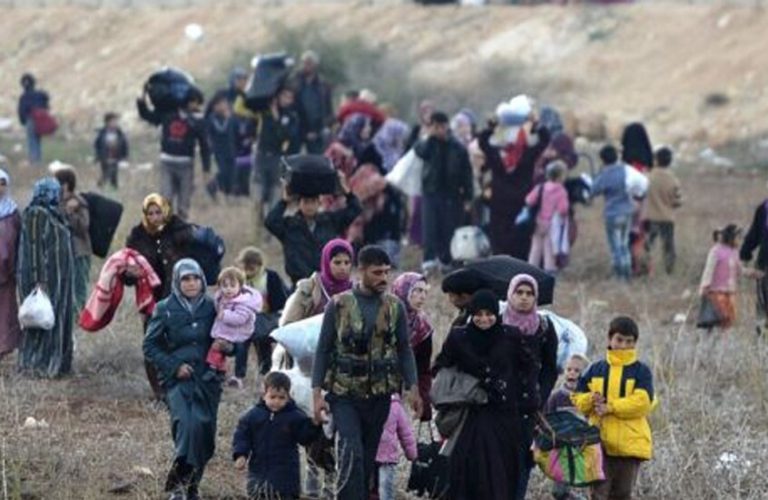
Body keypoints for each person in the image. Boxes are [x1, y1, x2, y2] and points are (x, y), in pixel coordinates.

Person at [312, 245, 421, 500]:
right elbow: (323, 350)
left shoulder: (395, 307)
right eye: (377, 272)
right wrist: (316, 394)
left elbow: (404, 349)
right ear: (361, 271)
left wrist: (414, 388)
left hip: (380, 396)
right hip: (344, 395)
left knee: (368, 458)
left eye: (386, 272)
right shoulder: (338, 305)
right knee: (352, 453)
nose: (384, 278)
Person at [143, 259, 225, 500]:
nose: (191, 283)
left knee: (205, 435)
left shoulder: (214, 306)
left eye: (195, 278)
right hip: (178, 382)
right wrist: (174, 366)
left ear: (202, 280)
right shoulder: (164, 308)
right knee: (187, 428)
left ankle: (192, 487)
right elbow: (150, 345)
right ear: (177, 282)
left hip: (208, 380)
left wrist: (228, 347)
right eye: (185, 279)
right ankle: (177, 488)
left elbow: (232, 337)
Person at [432, 289, 524, 500]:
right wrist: (465, 385)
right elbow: (441, 366)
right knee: (468, 471)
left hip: (503, 414)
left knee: (500, 472)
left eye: (489, 314)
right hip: (469, 413)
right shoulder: (459, 337)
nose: (484, 319)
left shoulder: (511, 336)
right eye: (478, 314)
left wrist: (515, 394)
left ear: (497, 314)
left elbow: (524, 370)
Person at [572, 316, 655, 500]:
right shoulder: (595, 369)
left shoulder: (642, 371)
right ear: (609, 339)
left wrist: (611, 407)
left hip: (629, 444)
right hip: (598, 442)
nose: (623, 345)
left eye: (629, 341)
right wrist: (590, 400)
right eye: (619, 339)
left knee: (623, 494)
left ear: (635, 343)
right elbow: (577, 399)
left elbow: (643, 403)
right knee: (598, 494)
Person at [126, 193, 195, 399]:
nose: (155, 217)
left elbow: (192, 264)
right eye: (150, 213)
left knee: (180, 342)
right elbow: (126, 272)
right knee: (152, 343)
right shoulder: (137, 237)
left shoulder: (180, 231)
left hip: (179, 297)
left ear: (165, 211)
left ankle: (180, 385)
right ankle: (158, 390)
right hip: (152, 301)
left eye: (158, 212)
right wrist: (130, 273)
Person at [502, 274, 558, 500]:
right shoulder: (497, 322)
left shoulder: (544, 326)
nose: (524, 298)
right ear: (510, 294)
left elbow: (550, 368)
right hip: (499, 406)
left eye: (529, 293)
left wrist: (540, 396)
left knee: (523, 462)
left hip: (529, 408)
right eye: (519, 292)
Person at [17, 178, 75, 377]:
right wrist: (38, 279)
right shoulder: (36, 214)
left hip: (58, 279)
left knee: (55, 320)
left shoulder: (54, 214)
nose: (59, 196)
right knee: (40, 320)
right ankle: (37, 366)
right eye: (55, 192)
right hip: (44, 280)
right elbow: (33, 248)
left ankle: (57, 364)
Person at [233, 371, 321, 499]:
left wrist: (314, 424)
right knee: (258, 494)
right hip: (258, 472)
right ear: (264, 394)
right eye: (272, 397)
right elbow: (242, 435)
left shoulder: (295, 416)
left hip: (286, 475)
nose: (276, 401)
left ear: (289, 396)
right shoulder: (253, 416)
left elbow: (305, 437)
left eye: (281, 398)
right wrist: (241, 454)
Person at [478, 113, 551, 260]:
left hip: (499, 204)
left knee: (499, 244)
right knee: (522, 244)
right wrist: (536, 125)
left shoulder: (496, 155)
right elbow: (545, 139)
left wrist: (491, 127)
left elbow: (483, 142)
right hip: (521, 204)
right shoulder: (528, 154)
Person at [265, 175, 361, 286]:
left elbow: (355, 209)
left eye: (313, 202)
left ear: (319, 203)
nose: (309, 206)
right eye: (306, 202)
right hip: (299, 282)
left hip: (326, 282)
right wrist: (284, 201)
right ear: (299, 204)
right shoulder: (289, 226)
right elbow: (270, 222)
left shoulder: (330, 221)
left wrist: (347, 192)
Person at [137, 86, 211, 221]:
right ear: (188, 101)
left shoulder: (198, 121)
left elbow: (204, 146)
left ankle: (180, 230)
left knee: (184, 203)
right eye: (195, 102)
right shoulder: (168, 115)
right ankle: (166, 229)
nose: (196, 106)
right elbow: (147, 116)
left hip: (186, 165)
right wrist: (141, 100)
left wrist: (206, 169)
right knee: (166, 199)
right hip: (167, 163)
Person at [414, 111, 473, 273]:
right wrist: (430, 137)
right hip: (430, 192)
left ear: (447, 126)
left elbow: (467, 173)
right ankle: (429, 261)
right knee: (430, 228)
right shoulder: (428, 144)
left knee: (448, 229)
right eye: (436, 127)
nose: (439, 130)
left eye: (441, 126)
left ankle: (446, 260)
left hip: (451, 194)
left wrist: (468, 197)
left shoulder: (457, 147)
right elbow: (419, 151)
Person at [591, 145, 648, 281]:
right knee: (624, 243)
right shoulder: (625, 169)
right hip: (627, 211)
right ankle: (628, 273)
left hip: (612, 214)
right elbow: (643, 183)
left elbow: (593, 190)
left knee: (615, 246)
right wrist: (637, 195)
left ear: (602, 160)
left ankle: (619, 276)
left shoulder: (605, 174)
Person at [232, 247, 288, 385]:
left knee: (263, 343)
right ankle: (239, 375)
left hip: (267, 318)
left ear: (259, 266)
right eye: (245, 268)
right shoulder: (238, 279)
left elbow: (281, 300)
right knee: (243, 342)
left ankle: (265, 372)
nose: (248, 272)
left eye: (251, 269)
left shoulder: (271, 277)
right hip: (245, 319)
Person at [544, 353, 590, 500]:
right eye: (569, 369)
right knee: (559, 491)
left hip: (582, 448)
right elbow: (546, 420)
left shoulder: (587, 398)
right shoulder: (556, 397)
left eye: (577, 371)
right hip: (561, 449)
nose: (572, 373)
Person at [254, 87, 302, 220]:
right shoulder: (265, 112)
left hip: (278, 157)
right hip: (261, 155)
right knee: (259, 191)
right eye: (284, 96)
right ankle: (257, 222)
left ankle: (271, 221)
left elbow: (286, 136)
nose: (286, 100)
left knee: (275, 192)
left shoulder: (292, 116)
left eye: (289, 97)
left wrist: (277, 118)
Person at [700, 225, 760, 330]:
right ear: (731, 237)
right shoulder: (716, 251)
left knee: (729, 318)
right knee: (718, 316)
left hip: (730, 292)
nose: (740, 241)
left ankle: (723, 337)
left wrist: (752, 273)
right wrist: (705, 285)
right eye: (738, 238)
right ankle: (712, 336)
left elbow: (739, 269)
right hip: (716, 291)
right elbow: (709, 270)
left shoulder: (735, 252)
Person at [392, 272, 434, 421]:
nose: (422, 297)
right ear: (403, 291)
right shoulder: (384, 318)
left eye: (425, 291)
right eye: (417, 290)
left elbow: (423, 368)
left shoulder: (423, 327)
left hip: (406, 392)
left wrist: (423, 398)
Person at [206, 267, 261, 374]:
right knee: (216, 345)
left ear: (240, 286)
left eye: (232, 286)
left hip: (239, 333)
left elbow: (240, 318)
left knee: (235, 350)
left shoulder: (244, 302)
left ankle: (235, 373)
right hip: (225, 331)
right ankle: (217, 367)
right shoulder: (221, 298)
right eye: (225, 286)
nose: (228, 289)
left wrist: (225, 315)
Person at [53, 168, 92, 312]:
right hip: (63, 253)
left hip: (79, 252)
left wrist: (70, 213)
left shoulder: (78, 202)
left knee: (78, 289)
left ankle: (78, 317)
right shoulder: (57, 202)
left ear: (65, 185)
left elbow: (83, 227)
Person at [525, 160, 570, 273]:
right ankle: (549, 270)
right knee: (549, 249)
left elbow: (529, 200)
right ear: (560, 176)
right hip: (551, 224)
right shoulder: (561, 191)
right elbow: (563, 209)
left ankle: (531, 269)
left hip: (538, 222)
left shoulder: (540, 187)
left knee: (535, 247)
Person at [644, 146, 683, 275]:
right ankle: (669, 270)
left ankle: (644, 269)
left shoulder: (648, 177)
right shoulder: (673, 179)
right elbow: (677, 201)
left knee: (647, 245)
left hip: (650, 217)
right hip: (667, 218)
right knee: (668, 246)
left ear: (655, 160)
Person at [374, 393, 418, 500]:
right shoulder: (396, 406)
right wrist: (412, 454)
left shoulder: (394, 406)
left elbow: (405, 433)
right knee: (385, 489)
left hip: (380, 457)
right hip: (386, 456)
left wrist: (411, 453)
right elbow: (406, 433)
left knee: (381, 489)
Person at [294, 50, 334, 154]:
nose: (306, 65)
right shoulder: (294, 81)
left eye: (309, 63)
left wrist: (320, 129)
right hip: (297, 129)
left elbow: (328, 109)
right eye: (304, 62)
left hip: (317, 130)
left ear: (315, 65)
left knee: (316, 159)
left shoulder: (323, 85)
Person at [0, 169, 21, 360]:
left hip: (7, 270)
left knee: (6, 311)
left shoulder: (12, 212)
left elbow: (19, 240)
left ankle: (4, 347)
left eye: (3, 183)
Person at [740, 191, 768, 333]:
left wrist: (745, 254)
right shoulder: (763, 208)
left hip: (765, 264)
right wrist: (745, 253)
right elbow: (755, 234)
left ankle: (762, 337)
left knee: (763, 305)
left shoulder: (764, 207)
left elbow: (754, 235)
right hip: (764, 264)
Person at [205, 94, 239, 198]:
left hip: (231, 150)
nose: (224, 105)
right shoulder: (211, 119)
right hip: (218, 151)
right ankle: (214, 188)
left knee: (231, 174)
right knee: (222, 172)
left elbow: (237, 132)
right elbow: (208, 134)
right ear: (215, 106)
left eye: (225, 103)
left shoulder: (232, 118)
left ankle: (227, 193)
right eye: (221, 104)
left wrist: (230, 118)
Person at [17, 73, 50, 166]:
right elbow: (46, 105)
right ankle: (37, 159)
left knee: (32, 140)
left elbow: (21, 110)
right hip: (40, 120)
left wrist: (23, 121)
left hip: (31, 120)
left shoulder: (24, 97)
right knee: (37, 140)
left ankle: (34, 161)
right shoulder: (40, 95)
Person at [93, 112, 129, 189]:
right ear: (107, 122)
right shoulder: (102, 134)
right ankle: (101, 186)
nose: (114, 123)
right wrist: (98, 156)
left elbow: (124, 145)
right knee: (106, 173)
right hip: (105, 158)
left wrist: (124, 156)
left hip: (116, 157)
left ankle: (112, 188)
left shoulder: (119, 133)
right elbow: (97, 145)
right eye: (112, 121)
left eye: (115, 121)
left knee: (113, 174)